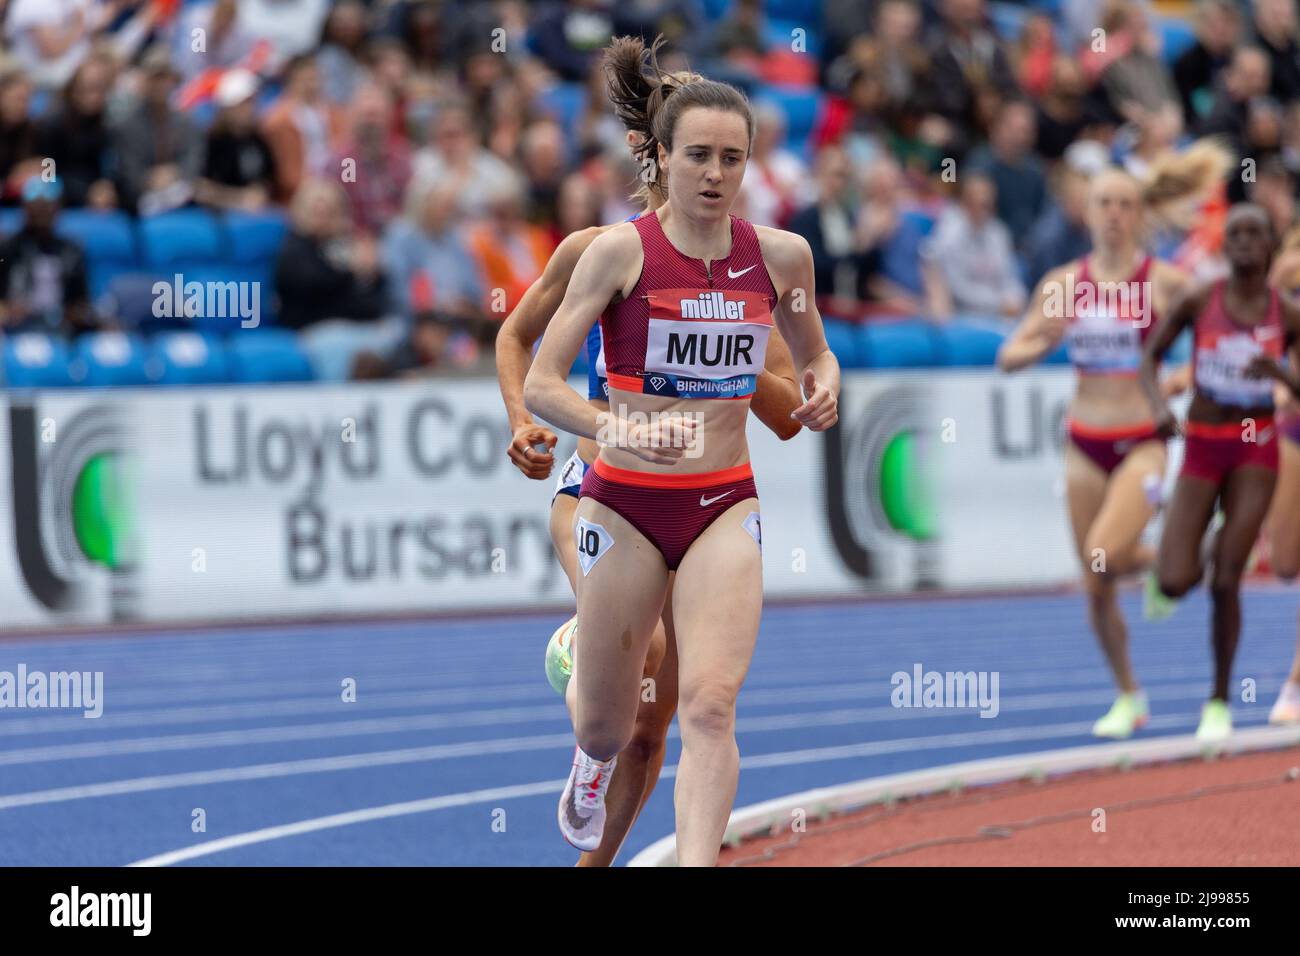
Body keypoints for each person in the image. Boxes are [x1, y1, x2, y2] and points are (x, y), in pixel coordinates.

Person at [523, 36, 839, 866]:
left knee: (708, 706)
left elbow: (813, 353)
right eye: (698, 154)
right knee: (608, 722)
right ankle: (588, 761)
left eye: (732, 158)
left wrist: (824, 380)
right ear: (662, 158)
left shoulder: (781, 256)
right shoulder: (617, 252)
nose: (715, 173)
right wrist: (617, 427)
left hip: (723, 504)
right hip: (623, 503)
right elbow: (542, 383)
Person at [998, 146, 1231, 739]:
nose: (1114, 214)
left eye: (1125, 204)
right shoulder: (1062, 285)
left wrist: (1180, 379)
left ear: (1138, 214)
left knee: (1106, 547)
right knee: (1096, 579)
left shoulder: (1164, 282)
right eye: (1104, 203)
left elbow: (1218, 339)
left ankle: (1175, 560)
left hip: (1141, 440)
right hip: (1084, 442)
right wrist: (1045, 342)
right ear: (1086, 209)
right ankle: (1130, 694)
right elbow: (1008, 356)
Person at [1141, 203, 1300, 742]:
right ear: (1224, 245)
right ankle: (1198, 547)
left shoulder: (1287, 313)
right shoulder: (1199, 297)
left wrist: (1282, 374)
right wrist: (1159, 410)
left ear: (1271, 246)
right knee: (1174, 579)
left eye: (1257, 233)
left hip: (1256, 447)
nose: (1245, 242)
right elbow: (1149, 357)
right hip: (1204, 447)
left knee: (1229, 575)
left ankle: (1218, 701)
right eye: (1236, 233)